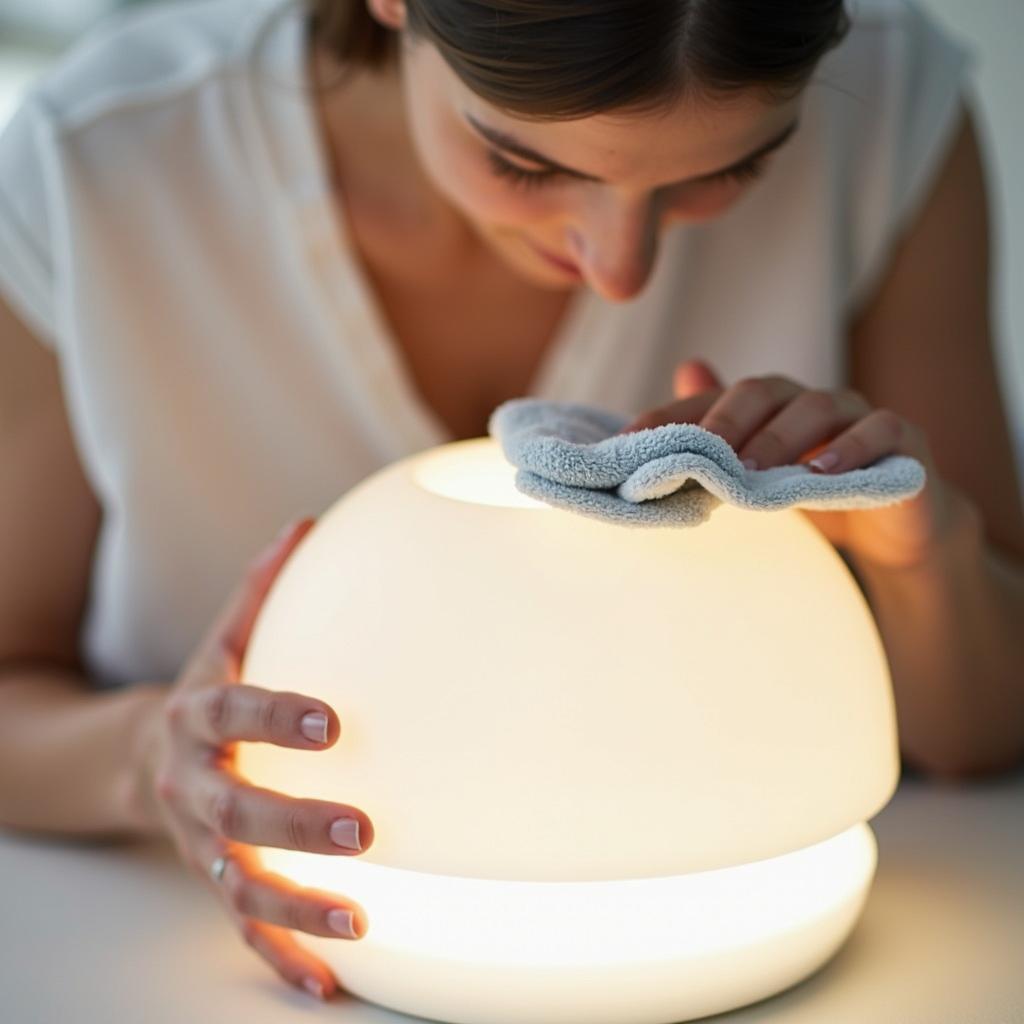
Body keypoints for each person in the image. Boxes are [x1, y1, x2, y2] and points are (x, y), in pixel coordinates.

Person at [0, 0, 1022, 1004]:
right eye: (527, 164)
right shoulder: (102, 164)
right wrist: (146, 759)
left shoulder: (885, 109)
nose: (620, 265)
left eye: (726, 170)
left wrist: (911, 550)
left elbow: (979, 735)